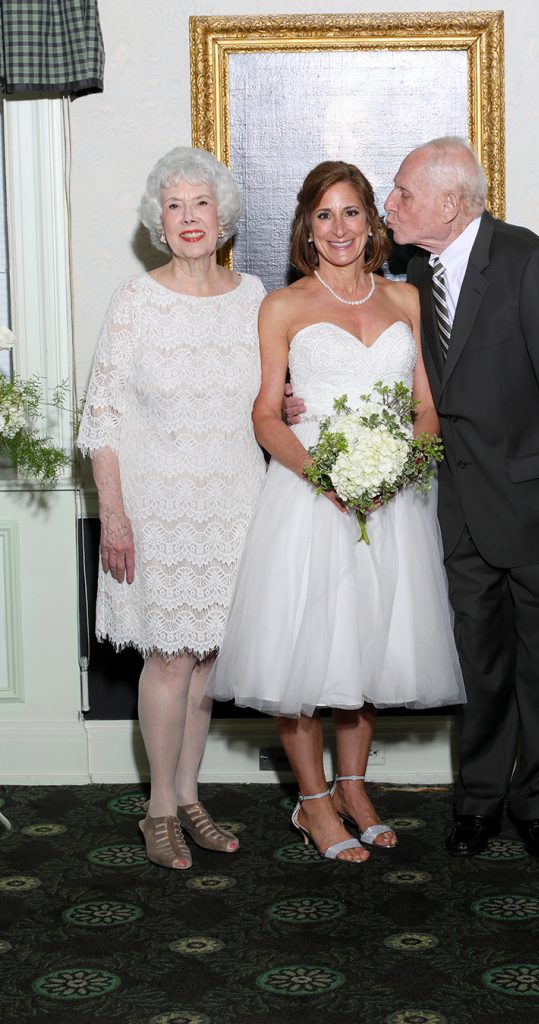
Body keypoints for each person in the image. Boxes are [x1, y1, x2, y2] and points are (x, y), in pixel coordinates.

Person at [207, 161, 465, 863]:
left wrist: (401, 469)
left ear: (372, 223)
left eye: (351, 212)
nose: (339, 228)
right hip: (309, 497)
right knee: (304, 655)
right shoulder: (284, 306)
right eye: (324, 215)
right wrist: (321, 474)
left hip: (392, 498)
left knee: (367, 648)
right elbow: (264, 414)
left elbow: (427, 409)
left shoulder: (408, 300)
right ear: (306, 229)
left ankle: (354, 790)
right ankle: (313, 804)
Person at [381, 136, 539, 858]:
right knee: (477, 668)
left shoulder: (523, 260)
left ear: (450, 203)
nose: (390, 206)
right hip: (455, 514)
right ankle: (477, 805)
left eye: (402, 194)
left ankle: (538, 806)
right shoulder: (415, 274)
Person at [77, 147, 266, 869]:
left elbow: (267, 396)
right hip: (157, 509)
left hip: (236, 501)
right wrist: (114, 516)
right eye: (175, 205)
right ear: (159, 218)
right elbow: (103, 418)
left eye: (201, 204)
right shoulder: (136, 300)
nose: (189, 218)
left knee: (208, 660)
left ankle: (190, 796)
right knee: (168, 658)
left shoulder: (254, 297)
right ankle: (157, 810)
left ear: (223, 217)